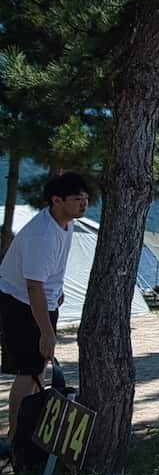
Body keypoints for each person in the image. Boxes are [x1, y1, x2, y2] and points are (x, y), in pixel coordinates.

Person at [0, 172, 88, 441]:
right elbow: (33, 287)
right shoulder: (41, 235)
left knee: (39, 369)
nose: (83, 204)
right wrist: (46, 331)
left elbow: (51, 273)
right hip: (20, 303)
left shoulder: (66, 224)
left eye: (85, 198)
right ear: (56, 200)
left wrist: (58, 292)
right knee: (28, 371)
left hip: (43, 300)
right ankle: (15, 437)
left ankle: (27, 431)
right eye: (77, 199)